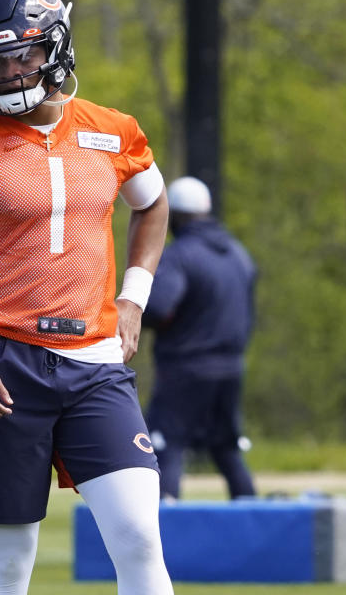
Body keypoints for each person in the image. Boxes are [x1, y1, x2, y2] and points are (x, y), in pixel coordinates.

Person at [0, 0, 173, 594]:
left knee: (139, 535)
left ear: (54, 48)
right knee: (7, 564)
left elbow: (153, 205)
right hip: (3, 363)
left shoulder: (114, 130)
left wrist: (133, 297)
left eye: (21, 54)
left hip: (96, 360)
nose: (7, 70)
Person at [141, 176, 257, 501]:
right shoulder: (238, 254)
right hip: (232, 368)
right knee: (227, 448)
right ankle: (252, 521)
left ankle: (165, 526)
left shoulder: (181, 256)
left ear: (174, 215)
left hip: (186, 368)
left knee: (166, 443)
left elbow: (159, 307)